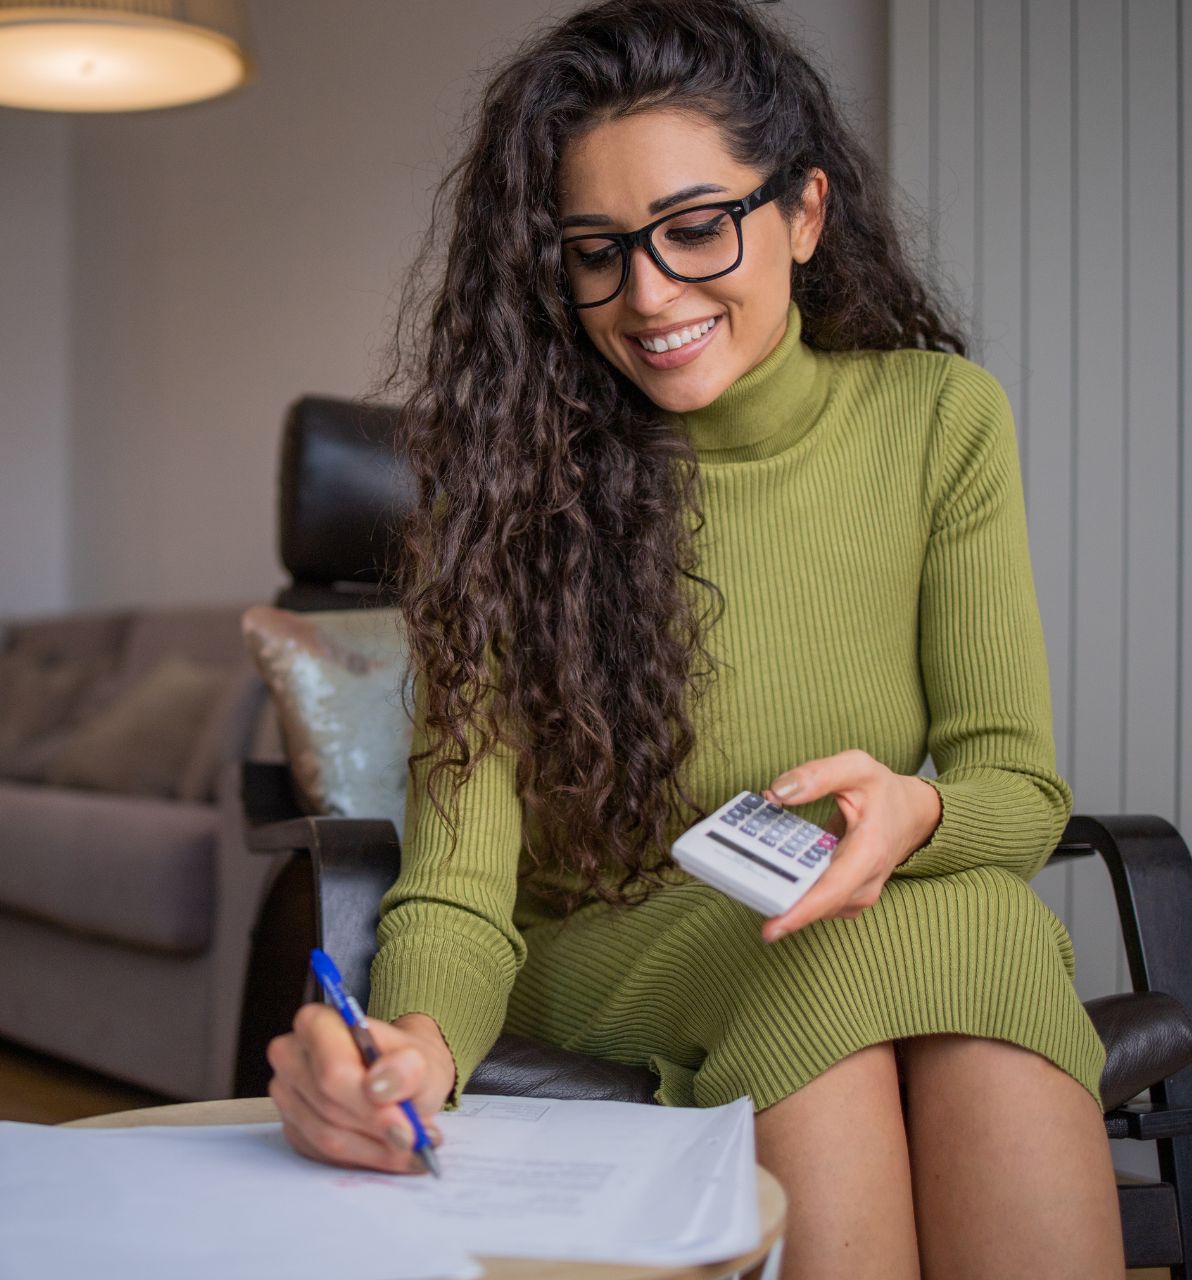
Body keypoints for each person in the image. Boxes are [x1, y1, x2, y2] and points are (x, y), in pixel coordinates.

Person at [263, 1, 1124, 1274]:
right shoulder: (503, 483)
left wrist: (918, 819)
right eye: (595, 250)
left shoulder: (941, 420)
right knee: (902, 936)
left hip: (838, 916)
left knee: (957, 918)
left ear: (805, 214)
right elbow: (461, 879)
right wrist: (417, 1044)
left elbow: (1017, 786)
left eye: (696, 227)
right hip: (609, 940)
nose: (647, 294)